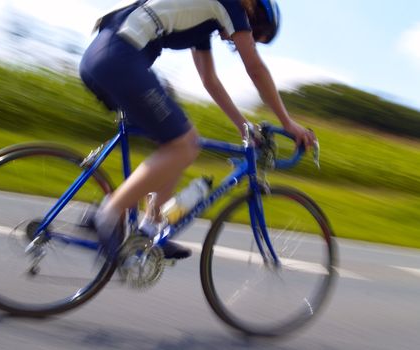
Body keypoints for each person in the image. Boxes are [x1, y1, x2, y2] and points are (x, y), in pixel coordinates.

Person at [79, 0, 316, 259]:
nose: (250, 41)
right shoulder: (230, 4)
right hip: (120, 59)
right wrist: (287, 122)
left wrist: (243, 126)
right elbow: (255, 69)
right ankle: (108, 215)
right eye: (255, 34)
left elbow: (209, 80)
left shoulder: (204, 19)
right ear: (252, 13)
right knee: (185, 144)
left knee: (177, 137)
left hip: (107, 56)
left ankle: (148, 231)